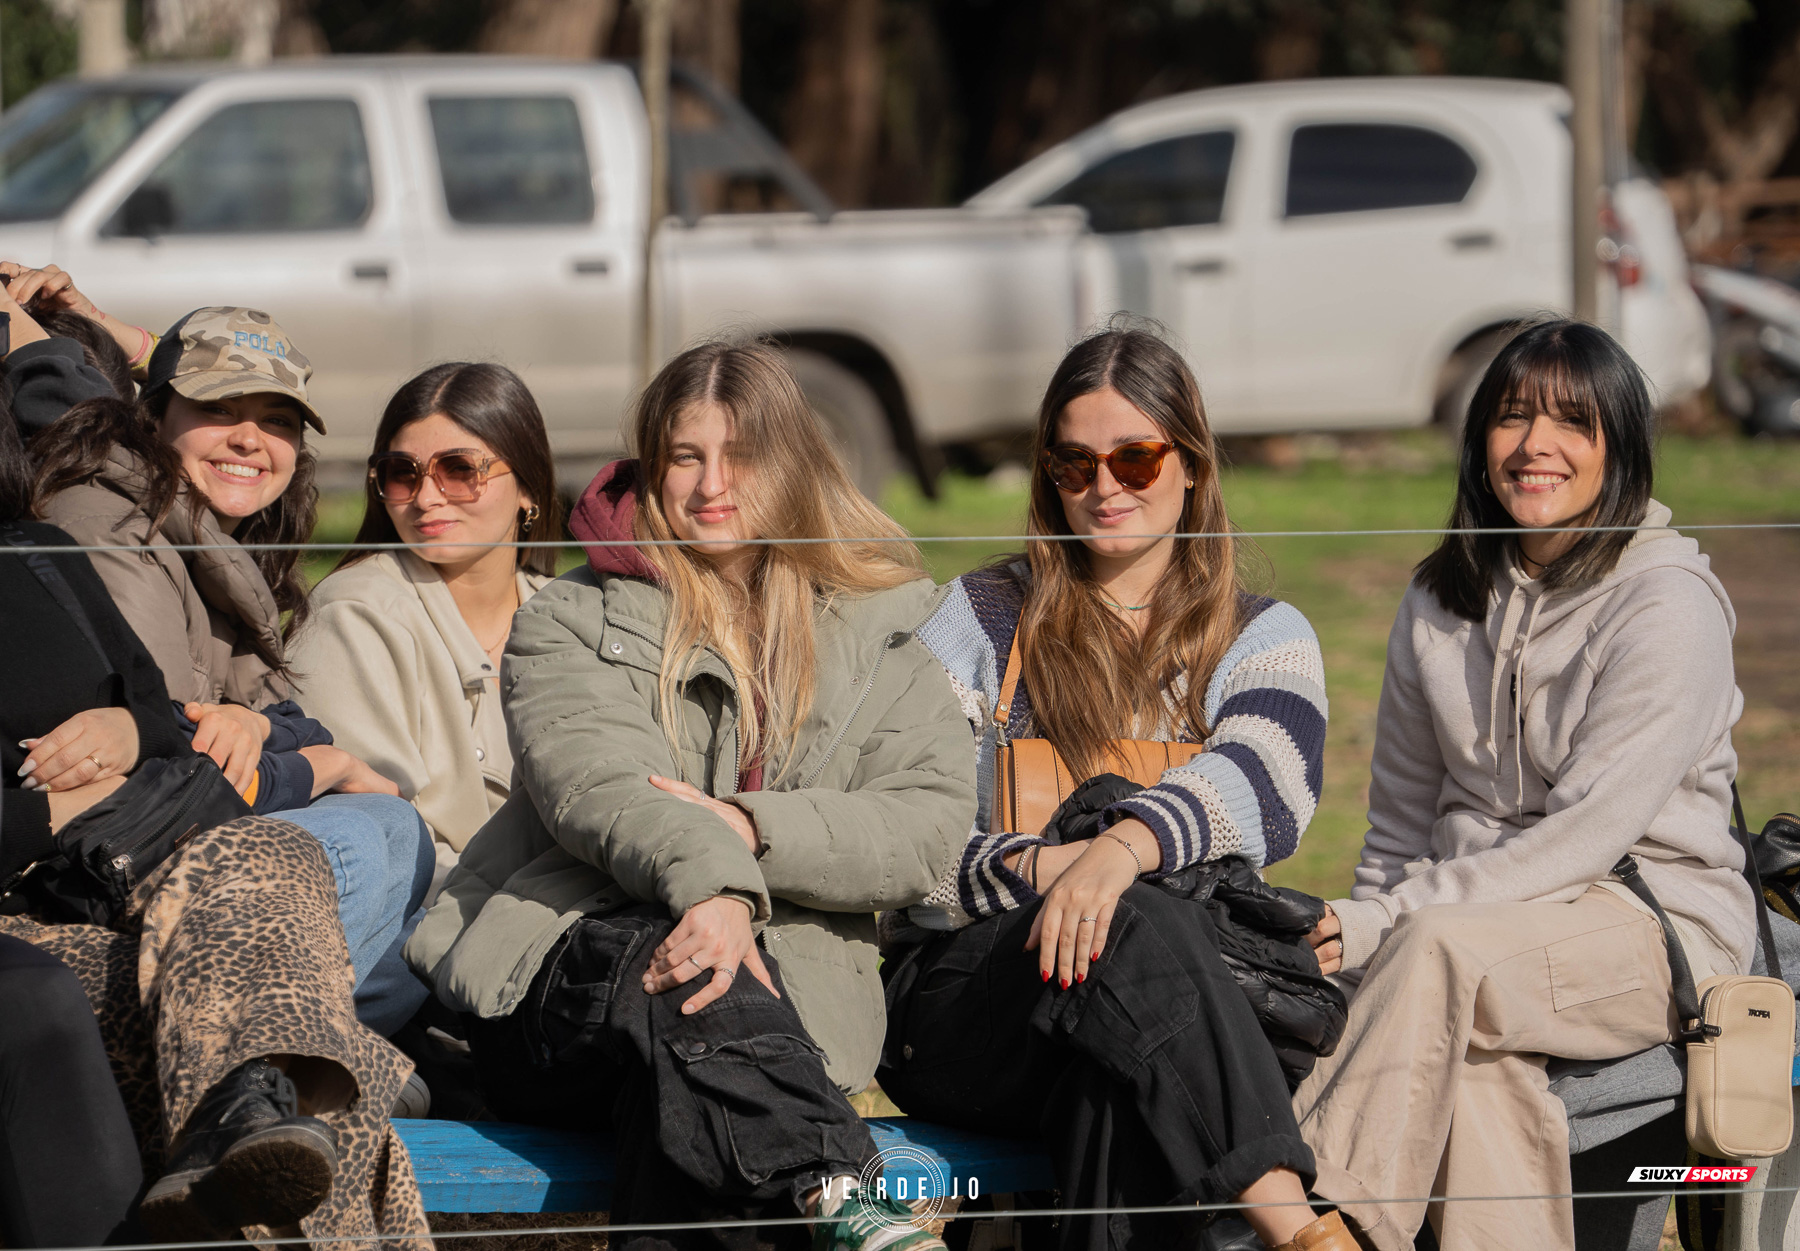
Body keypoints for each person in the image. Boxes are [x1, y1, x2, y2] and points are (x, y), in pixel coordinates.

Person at [406, 342, 976, 1251]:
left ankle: (831, 1198)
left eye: (740, 454)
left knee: (691, 1103)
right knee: (674, 964)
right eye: (686, 456)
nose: (713, 484)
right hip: (564, 978)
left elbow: (929, 824)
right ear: (652, 465)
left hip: (784, 1019)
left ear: (792, 464)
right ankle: (841, 1191)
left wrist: (751, 829)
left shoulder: (883, 631)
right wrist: (714, 891)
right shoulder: (570, 618)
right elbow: (599, 786)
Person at [877, 326, 1348, 1251]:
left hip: (1135, 1011)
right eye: (1075, 462)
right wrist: (1057, 868)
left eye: (1135, 457)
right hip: (967, 999)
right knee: (1137, 925)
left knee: (1116, 1075)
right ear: (1048, 475)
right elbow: (893, 827)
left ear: (1192, 465)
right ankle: (1300, 1231)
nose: (1105, 487)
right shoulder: (983, 618)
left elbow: (1269, 776)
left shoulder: (1259, 633)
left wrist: (1119, 852)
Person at [1292, 319, 1754, 1251]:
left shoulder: (1667, 604)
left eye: (1571, 423)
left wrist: (1386, 925)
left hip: (1650, 920)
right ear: (1479, 444)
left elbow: (1583, 838)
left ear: (1618, 449)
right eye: (1511, 416)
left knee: (1439, 956)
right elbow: (1397, 826)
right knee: (1472, 1068)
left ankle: (1313, 1225)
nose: (1535, 444)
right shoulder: (1438, 600)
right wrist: (1375, 924)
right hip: (1477, 927)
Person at [0, 396, 427, 1241]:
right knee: (310, 1071)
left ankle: (255, 1101)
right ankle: (286, 1080)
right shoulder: (102, 529)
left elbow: (165, 717)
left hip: (138, 863)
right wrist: (74, 803)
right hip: (36, 914)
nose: (248, 437)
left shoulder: (37, 554)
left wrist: (134, 728)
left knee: (301, 860)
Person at [31, 307, 433, 1035]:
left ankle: (319, 1054)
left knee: (397, 832)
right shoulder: (111, 524)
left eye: (277, 419)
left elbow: (283, 722)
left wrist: (266, 729)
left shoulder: (216, 541)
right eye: (217, 408)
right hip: (100, 869)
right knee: (360, 838)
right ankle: (270, 1061)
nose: (250, 438)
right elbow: (181, 760)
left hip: (184, 839)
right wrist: (326, 763)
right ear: (151, 418)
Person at [290, 362, 561, 897]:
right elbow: (376, 838)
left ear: (528, 488)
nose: (427, 497)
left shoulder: (571, 614)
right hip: (422, 928)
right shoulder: (352, 614)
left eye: (460, 469)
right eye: (402, 472)